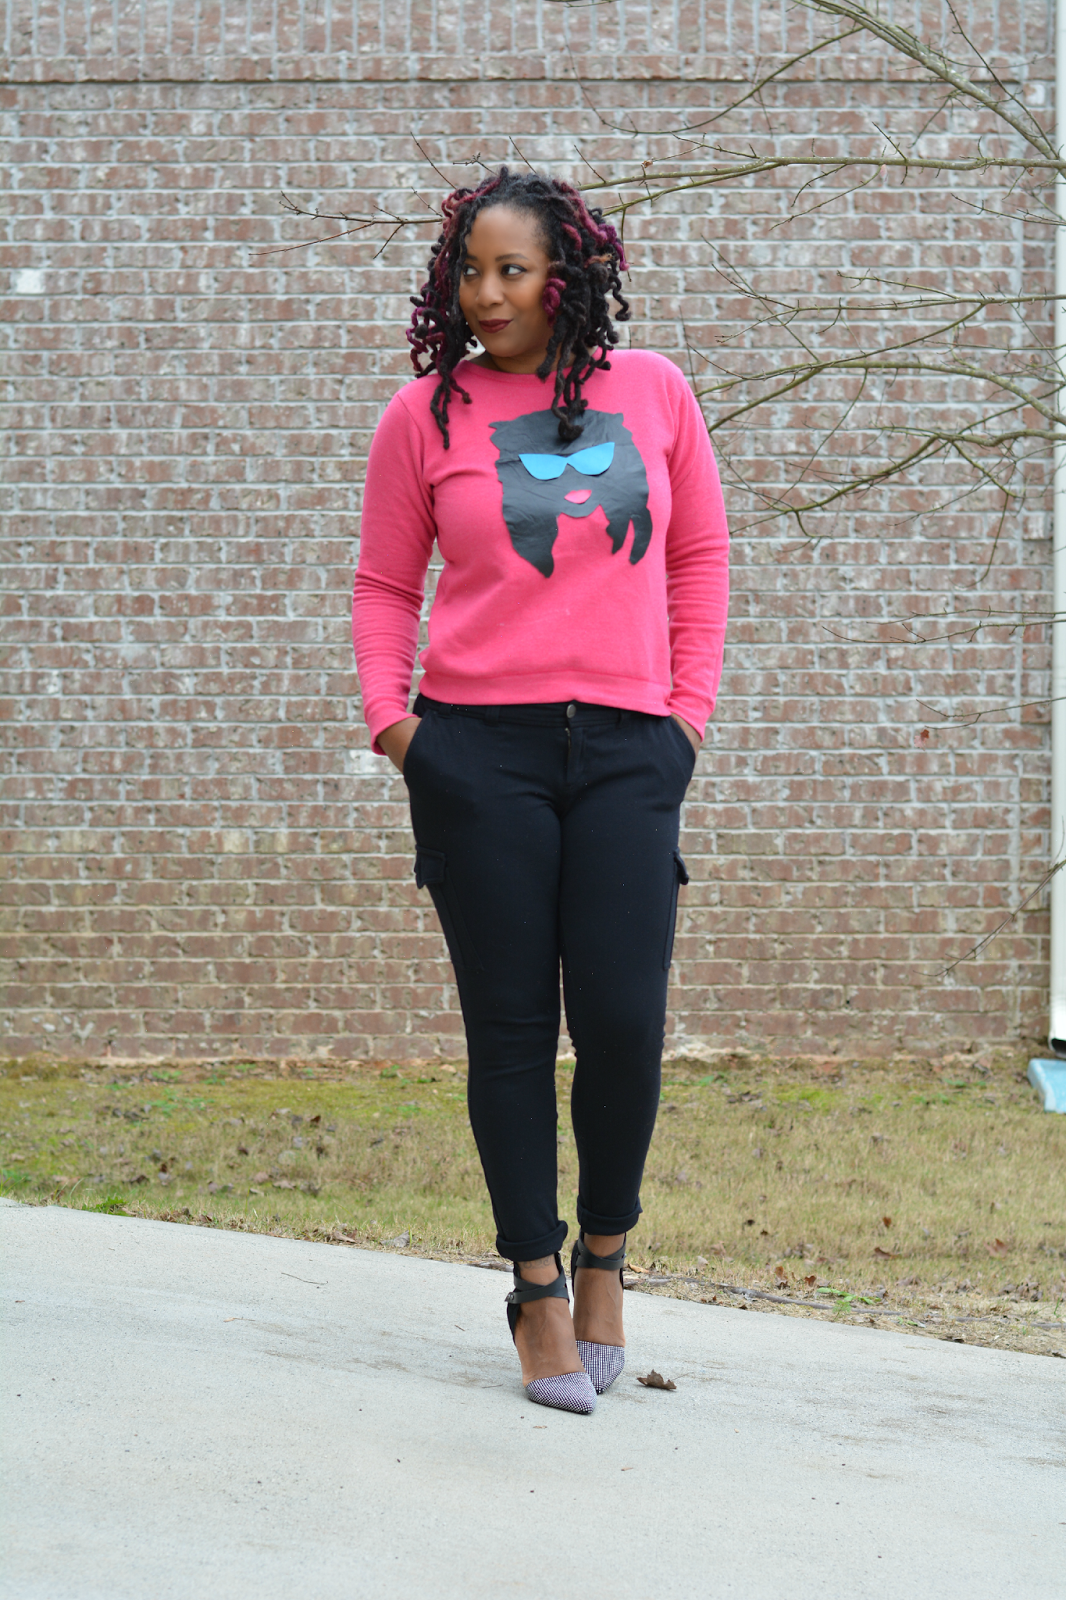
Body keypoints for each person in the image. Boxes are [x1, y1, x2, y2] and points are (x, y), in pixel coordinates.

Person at [352, 166, 729, 1414]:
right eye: (468, 270)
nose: (485, 293)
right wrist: (398, 728)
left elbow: (698, 557)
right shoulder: (426, 414)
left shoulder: (656, 391)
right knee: (510, 1030)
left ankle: (605, 1255)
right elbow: (384, 585)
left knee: (621, 1018)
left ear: (567, 275)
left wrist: (683, 718)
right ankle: (535, 1285)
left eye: (509, 270)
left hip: (628, 749)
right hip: (477, 755)